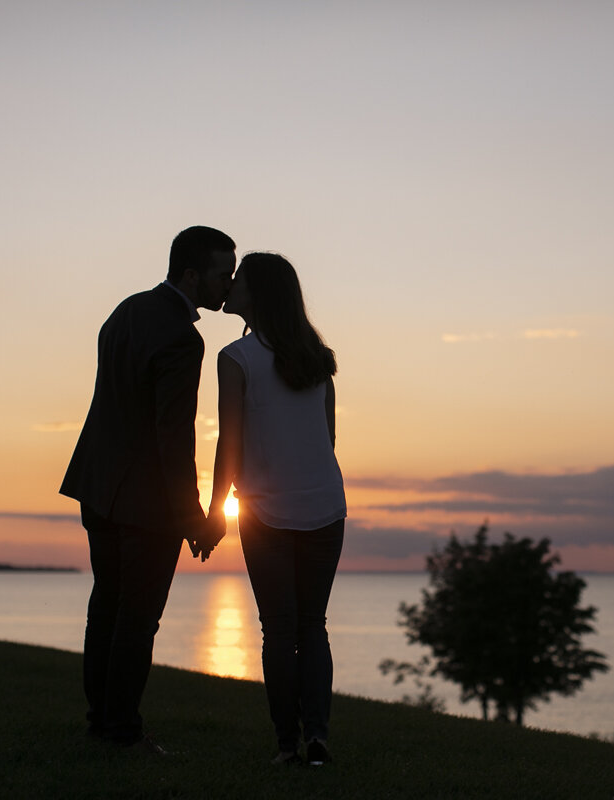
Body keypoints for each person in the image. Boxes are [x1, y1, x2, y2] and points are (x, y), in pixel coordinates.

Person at [59, 225, 235, 752]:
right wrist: (194, 517)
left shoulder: (125, 311)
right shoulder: (184, 338)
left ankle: (100, 720)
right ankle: (122, 731)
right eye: (221, 274)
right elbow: (173, 436)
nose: (227, 285)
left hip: (98, 484)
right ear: (190, 274)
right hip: (144, 502)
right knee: (136, 619)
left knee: (106, 608)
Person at [206, 252, 346, 766]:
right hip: (327, 507)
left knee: (280, 630)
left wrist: (215, 512)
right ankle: (318, 739)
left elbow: (230, 444)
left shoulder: (235, 359)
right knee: (313, 625)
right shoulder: (318, 358)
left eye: (238, 280)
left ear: (257, 295)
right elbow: (328, 440)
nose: (230, 286)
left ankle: (287, 745)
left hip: (265, 513)